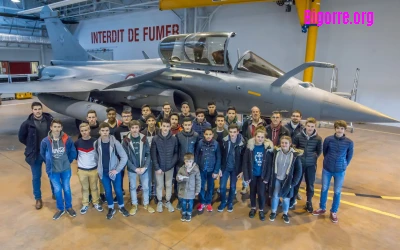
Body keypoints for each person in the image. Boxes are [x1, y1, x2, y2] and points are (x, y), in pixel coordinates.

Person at [312, 120, 354, 223]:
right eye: (338, 128)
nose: (339, 130)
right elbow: (325, 152)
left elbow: (349, 156)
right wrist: (328, 162)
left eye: (342, 128)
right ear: (335, 128)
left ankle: (334, 211)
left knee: (337, 191)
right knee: (324, 188)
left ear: (344, 130)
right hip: (327, 169)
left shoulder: (349, 142)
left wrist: (343, 165)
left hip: (340, 171)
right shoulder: (328, 140)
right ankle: (322, 208)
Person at [18, 101, 54, 210]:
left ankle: (55, 193)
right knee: (36, 177)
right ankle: (38, 198)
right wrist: (31, 145)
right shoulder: (27, 124)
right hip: (35, 154)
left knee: (52, 174)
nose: (37, 111)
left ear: (42, 109)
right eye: (35, 109)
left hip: (48, 152)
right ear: (32, 111)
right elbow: (21, 137)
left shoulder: (49, 121)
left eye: (39, 109)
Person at [40, 119, 77, 220]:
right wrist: (49, 163)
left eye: (59, 127)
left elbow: (73, 152)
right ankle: (61, 208)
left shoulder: (67, 139)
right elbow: (43, 154)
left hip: (65, 169)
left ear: (61, 128)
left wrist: (67, 162)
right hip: (53, 171)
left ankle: (69, 207)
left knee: (66, 188)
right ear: (51, 128)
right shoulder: (45, 141)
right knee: (57, 190)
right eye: (55, 127)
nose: (57, 129)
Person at [94, 122, 130, 219]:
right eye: (103, 131)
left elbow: (124, 157)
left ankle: (121, 206)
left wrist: (117, 170)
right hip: (104, 173)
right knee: (108, 191)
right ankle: (111, 208)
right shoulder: (96, 143)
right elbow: (96, 158)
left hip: (114, 172)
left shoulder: (115, 142)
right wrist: (99, 169)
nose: (105, 132)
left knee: (118, 190)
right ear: (99, 132)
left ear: (109, 131)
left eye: (106, 130)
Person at [122, 120, 155, 215]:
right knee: (132, 187)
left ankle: (146, 204)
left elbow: (148, 154)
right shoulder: (125, 140)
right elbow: (125, 157)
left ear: (139, 128)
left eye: (136, 127)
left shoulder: (144, 138)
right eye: (132, 128)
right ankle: (134, 204)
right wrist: (134, 168)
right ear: (129, 128)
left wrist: (145, 167)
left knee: (145, 187)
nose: (134, 130)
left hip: (143, 167)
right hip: (133, 168)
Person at [290, 117, 322, 212]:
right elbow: (294, 148)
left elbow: (319, 151)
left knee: (310, 184)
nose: (310, 128)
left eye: (312, 126)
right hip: (299, 164)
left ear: (314, 127)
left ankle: (309, 202)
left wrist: (313, 157)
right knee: (296, 183)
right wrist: (299, 158)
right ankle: (293, 199)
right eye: (308, 126)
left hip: (311, 165)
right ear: (305, 126)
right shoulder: (298, 136)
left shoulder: (318, 139)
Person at [268, 136, 303, 224]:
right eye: (282, 142)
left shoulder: (295, 155)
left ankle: (285, 214)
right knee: (275, 196)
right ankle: (273, 212)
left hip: (287, 181)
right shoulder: (276, 152)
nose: (284, 144)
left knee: (286, 198)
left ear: (290, 144)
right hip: (277, 178)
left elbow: (299, 171)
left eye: (286, 143)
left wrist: (293, 183)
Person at [243, 127, 274, 221]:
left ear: (264, 138)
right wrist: (246, 176)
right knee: (252, 192)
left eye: (262, 137)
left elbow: (269, 165)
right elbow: (245, 163)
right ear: (254, 137)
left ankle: (261, 209)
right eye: (258, 137)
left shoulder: (267, 149)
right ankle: (253, 208)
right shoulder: (250, 148)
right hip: (252, 175)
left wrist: (267, 177)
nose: (260, 139)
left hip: (262, 176)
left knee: (261, 193)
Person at [74, 123, 103, 214]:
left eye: (86, 130)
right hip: (82, 170)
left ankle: (96, 202)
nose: (84, 132)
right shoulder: (77, 143)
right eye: (82, 131)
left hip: (94, 169)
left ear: (89, 130)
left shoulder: (96, 141)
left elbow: (99, 154)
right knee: (85, 188)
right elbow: (76, 155)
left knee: (94, 188)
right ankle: (85, 204)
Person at [151, 119, 178, 213]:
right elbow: (153, 155)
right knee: (159, 185)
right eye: (164, 126)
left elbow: (176, 153)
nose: (165, 128)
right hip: (159, 168)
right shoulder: (155, 139)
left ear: (170, 127)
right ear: (161, 126)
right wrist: (157, 167)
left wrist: (171, 164)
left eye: (167, 126)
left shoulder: (174, 139)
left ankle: (167, 201)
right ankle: (159, 201)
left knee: (169, 185)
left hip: (170, 167)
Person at [217, 124, 246, 213]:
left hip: (235, 169)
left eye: (234, 132)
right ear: (228, 132)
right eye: (230, 132)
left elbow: (243, 158)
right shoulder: (224, 141)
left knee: (233, 188)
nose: (232, 134)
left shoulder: (242, 143)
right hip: (225, 168)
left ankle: (230, 202)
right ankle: (223, 201)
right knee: (222, 187)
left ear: (237, 132)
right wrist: (219, 168)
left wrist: (241, 171)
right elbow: (220, 155)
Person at [240, 106, 266, 195]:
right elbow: (243, 135)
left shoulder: (264, 123)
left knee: (257, 166)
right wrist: (248, 143)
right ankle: (245, 185)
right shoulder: (247, 123)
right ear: (251, 113)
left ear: (260, 113)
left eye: (257, 112)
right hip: (249, 147)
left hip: (259, 147)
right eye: (253, 112)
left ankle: (259, 187)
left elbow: (265, 135)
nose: (255, 113)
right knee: (247, 165)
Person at [175, 117, 200, 210]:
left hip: (191, 164)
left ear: (192, 125)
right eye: (185, 125)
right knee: (180, 183)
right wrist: (178, 160)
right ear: (183, 125)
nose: (187, 126)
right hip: (181, 164)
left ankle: (190, 200)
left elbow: (197, 150)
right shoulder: (179, 135)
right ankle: (180, 201)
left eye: (189, 125)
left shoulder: (196, 135)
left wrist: (195, 162)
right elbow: (176, 149)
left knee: (191, 183)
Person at [195, 128, 221, 212]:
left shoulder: (216, 144)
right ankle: (202, 202)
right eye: (206, 134)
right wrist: (196, 167)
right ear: (204, 135)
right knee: (201, 186)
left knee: (210, 187)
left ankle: (208, 202)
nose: (208, 136)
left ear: (213, 135)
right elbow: (196, 155)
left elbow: (218, 158)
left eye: (210, 134)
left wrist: (216, 171)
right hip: (201, 169)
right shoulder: (200, 143)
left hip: (211, 170)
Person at [176, 153, 201, 222]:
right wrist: (179, 178)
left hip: (191, 190)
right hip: (183, 190)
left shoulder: (196, 169)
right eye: (187, 161)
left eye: (190, 161)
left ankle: (189, 213)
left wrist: (197, 190)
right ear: (184, 161)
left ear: (192, 161)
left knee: (190, 203)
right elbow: (177, 177)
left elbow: (198, 180)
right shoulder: (182, 169)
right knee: (183, 202)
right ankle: (184, 213)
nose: (188, 163)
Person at [114, 109, 133, 198]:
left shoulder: (134, 128)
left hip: (132, 156)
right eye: (124, 116)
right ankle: (120, 190)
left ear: (131, 117)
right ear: (122, 118)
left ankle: (132, 190)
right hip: (121, 157)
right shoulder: (117, 130)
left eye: (128, 116)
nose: (126, 118)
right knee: (120, 174)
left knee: (132, 174)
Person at [142, 114, 159, 198]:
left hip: (157, 158)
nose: (151, 122)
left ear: (155, 121)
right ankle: (148, 195)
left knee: (156, 178)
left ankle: (155, 194)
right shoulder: (143, 133)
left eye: (153, 120)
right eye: (149, 120)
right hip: (147, 158)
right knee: (147, 178)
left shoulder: (159, 132)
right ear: (146, 122)